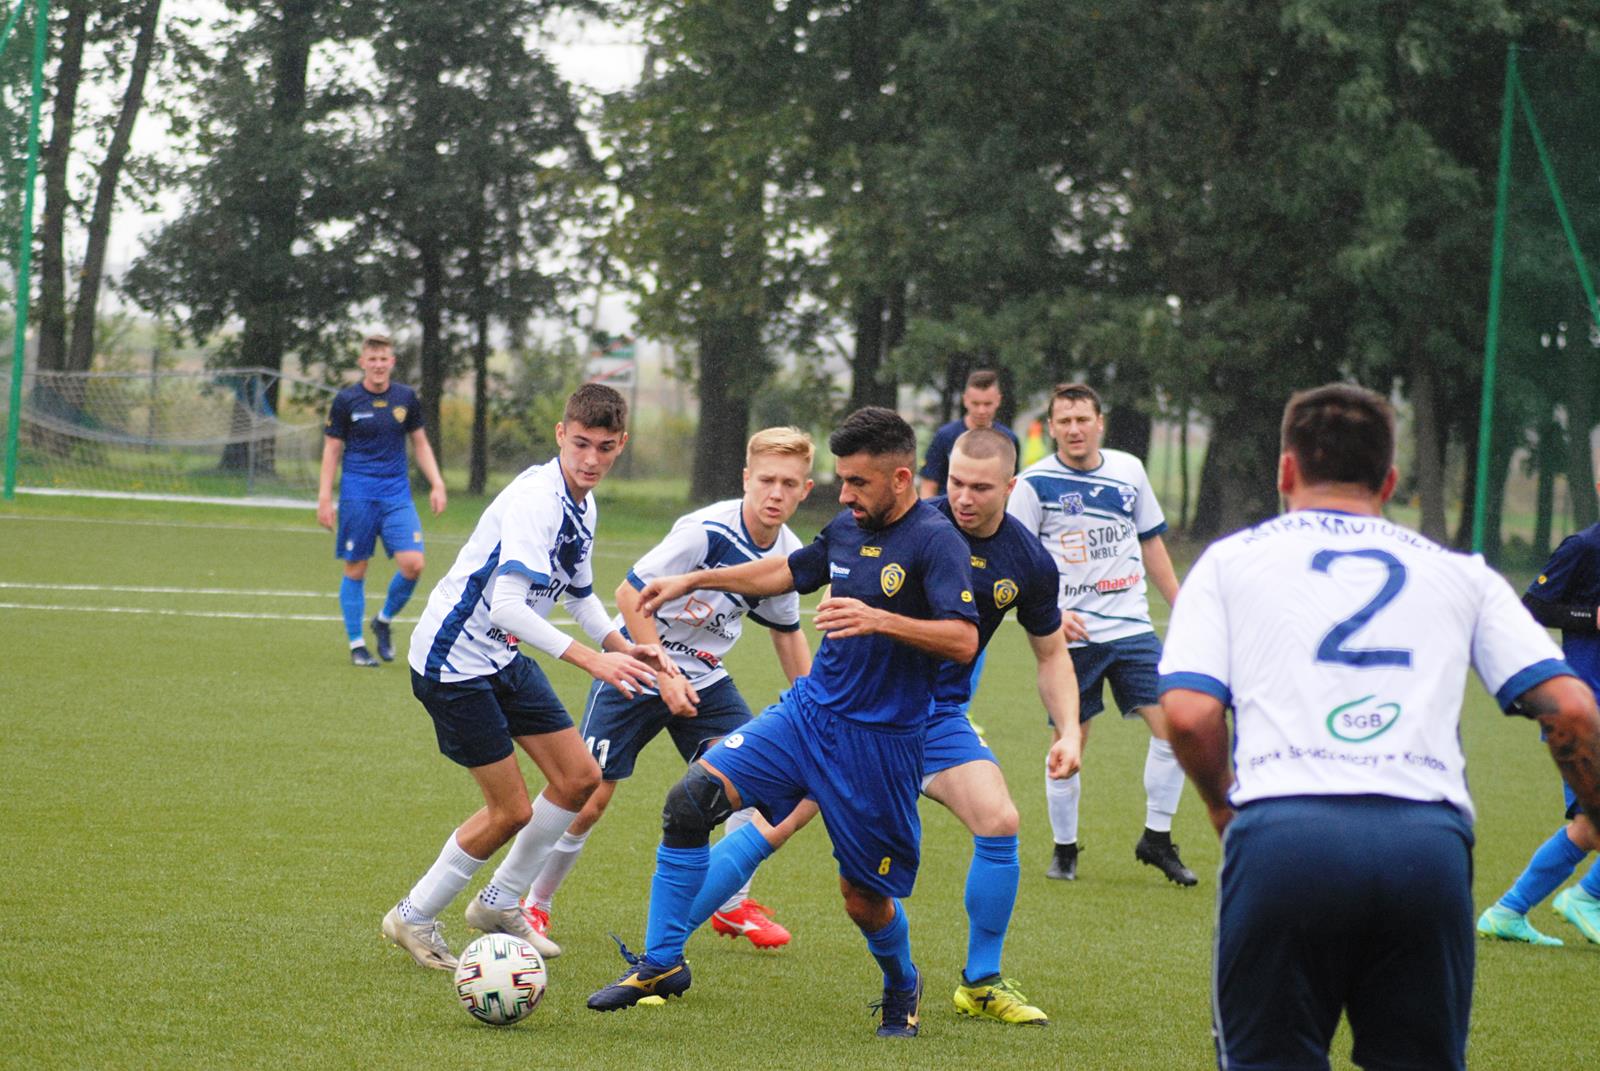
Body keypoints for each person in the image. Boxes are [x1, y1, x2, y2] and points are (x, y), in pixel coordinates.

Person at [1159, 382, 1600, 1071]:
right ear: (1390, 480)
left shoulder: (1228, 561)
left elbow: (1188, 714)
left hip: (1284, 836)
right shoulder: (1462, 573)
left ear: (1286, 468)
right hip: (1424, 846)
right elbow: (1572, 709)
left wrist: (1223, 805)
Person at [651, 427, 1083, 1026]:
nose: (963, 497)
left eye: (980, 487)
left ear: (1010, 487)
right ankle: (661, 956)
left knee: (999, 820)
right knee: (767, 830)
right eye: (954, 481)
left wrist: (1068, 730)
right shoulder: (900, 520)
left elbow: (1051, 654)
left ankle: (980, 981)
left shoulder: (1028, 563)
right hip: (855, 713)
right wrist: (701, 577)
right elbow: (801, 568)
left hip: (935, 718)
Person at [585, 407, 979, 1039]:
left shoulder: (937, 542)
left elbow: (962, 639)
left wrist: (881, 619)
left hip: (881, 742)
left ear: (902, 478)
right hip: (808, 715)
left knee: (863, 898)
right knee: (690, 802)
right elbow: (787, 574)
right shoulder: (850, 527)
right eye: (841, 480)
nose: (843, 494)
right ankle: (661, 963)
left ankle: (901, 981)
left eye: (857, 483)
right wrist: (697, 577)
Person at [381, 384, 669, 970]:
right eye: (581, 443)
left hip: (501, 654)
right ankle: (410, 916)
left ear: (621, 446)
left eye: (605, 447)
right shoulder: (538, 499)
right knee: (509, 810)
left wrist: (631, 649)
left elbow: (581, 596)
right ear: (561, 435)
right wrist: (594, 661)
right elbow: (510, 605)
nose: (591, 459)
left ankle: (499, 903)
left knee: (579, 777)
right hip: (453, 661)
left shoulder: (583, 503)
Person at [521, 427, 817, 950]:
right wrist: (662, 673)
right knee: (588, 794)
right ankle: (533, 903)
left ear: (806, 490)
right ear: (746, 479)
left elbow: (789, 634)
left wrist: (817, 711)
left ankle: (731, 905)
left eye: (789, 484)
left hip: (703, 678)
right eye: (767, 479)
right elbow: (630, 595)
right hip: (638, 662)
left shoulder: (787, 556)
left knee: (755, 778)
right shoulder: (705, 532)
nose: (776, 493)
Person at [1006, 382, 1190, 885]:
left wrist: (1184, 608)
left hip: (1131, 626)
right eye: (1063, 421)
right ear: (1052, 426)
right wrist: (1048, 613)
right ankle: (1065, 850)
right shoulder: (1033, 483)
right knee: (1069, 747)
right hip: (1072, 636)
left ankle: (1156, 838)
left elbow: (1151, 544)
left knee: (1174, 730)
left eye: (1082, 419)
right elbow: (1015, 560)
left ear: (1099, 422)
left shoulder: (1129, 471)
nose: (1073, 429)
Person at [1476, 499, 1600, 946]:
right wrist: (1592, 617)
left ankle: (1513, 910)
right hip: (1583, 706)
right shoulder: (1585, 547)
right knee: (1591, 823)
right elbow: (1531, 607)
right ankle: (1580, 898)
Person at [316, 331, 447, 667]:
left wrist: (436, 483)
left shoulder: (405, 397)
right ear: (362, 363)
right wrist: (324, 498)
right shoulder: (347, 401)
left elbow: (420, 443)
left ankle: (384, 620)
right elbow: (331, 450)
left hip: (396, 493)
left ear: (392, 362)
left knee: (414, 564)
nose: (377, 365)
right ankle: (357, 644)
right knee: (356, 567)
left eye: (383, 359)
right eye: (371, 359)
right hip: (357, 493)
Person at [918, 369, 1019, 499]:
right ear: (965, 400)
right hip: (948, 515)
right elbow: (929, 486)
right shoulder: (945, 436)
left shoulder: (1008, 439)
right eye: (975, 403)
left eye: (987, 404)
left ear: (998, 401)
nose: (981, 410)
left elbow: (1012, 488)